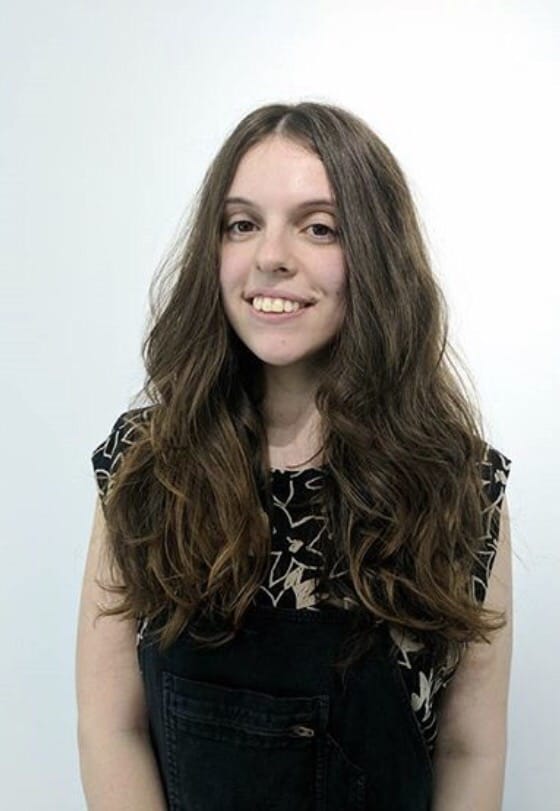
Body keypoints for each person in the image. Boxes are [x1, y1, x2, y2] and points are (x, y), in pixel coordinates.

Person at [75, 101, 513, 810]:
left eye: (318, 227)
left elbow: (471, 747)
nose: (271, 256)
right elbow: (109, 723)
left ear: (375, 253)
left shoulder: (459, 485)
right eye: (242, 223)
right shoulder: (144, 466)